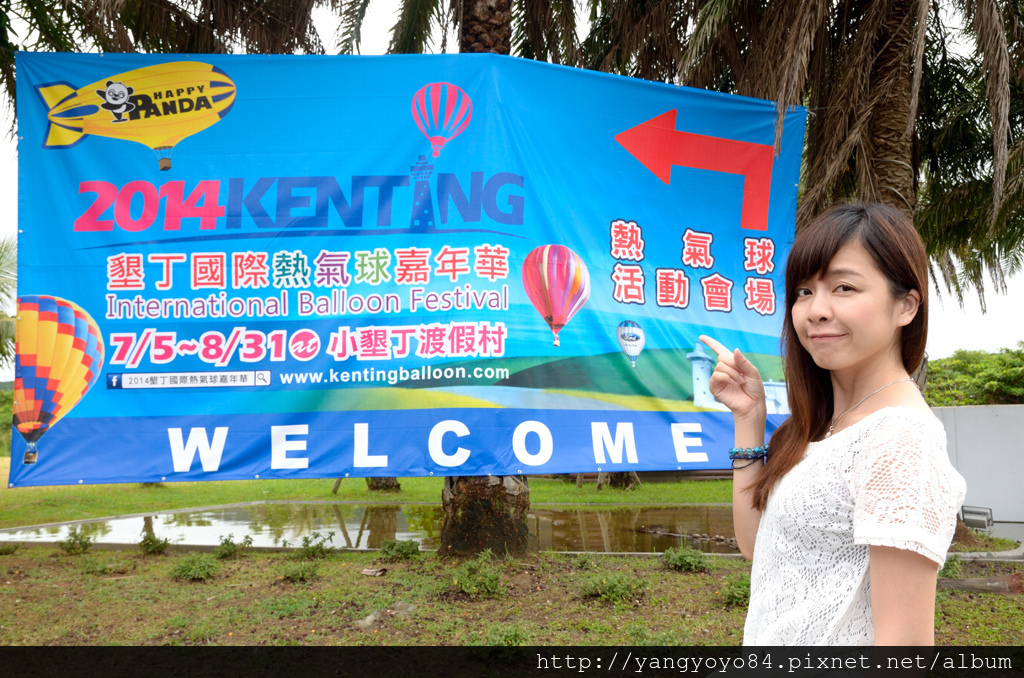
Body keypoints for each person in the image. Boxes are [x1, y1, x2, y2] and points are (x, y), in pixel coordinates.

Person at [698, 202, 966, 646]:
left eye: (844, 287)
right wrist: (748, 418)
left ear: (906, 306)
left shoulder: (900, 440)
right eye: (804, 291)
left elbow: (905, 648)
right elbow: (756, 545)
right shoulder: (824, 426)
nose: (815, 310)